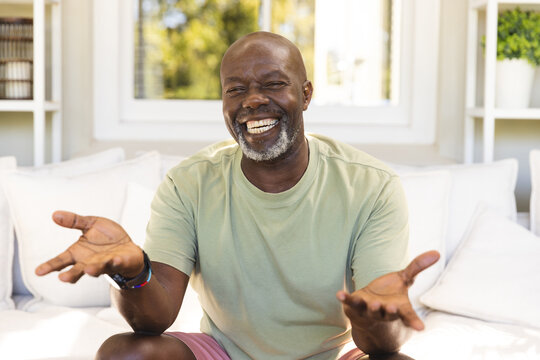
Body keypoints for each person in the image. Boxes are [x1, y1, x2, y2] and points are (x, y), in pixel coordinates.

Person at [35, 31, 439, 360]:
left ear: (307, 94)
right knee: (126, 354)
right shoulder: (188, 183)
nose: (253, 100)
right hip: (224, 354)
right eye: (236, 89)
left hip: (330, 355)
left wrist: (375, 321)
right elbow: (153, 321)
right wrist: (133, 272)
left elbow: (379, 343)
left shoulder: (371, 185)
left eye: (274, 84)